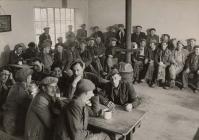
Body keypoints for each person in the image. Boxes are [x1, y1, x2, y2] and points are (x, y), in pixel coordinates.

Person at [3, 68, 33, 135]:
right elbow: (27, 106)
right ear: (27, 78)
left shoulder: (16, 85)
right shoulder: (20, 90)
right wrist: (31, 96)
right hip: (12, 126)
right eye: (30, 78)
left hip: (8, 120)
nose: (31, 80)